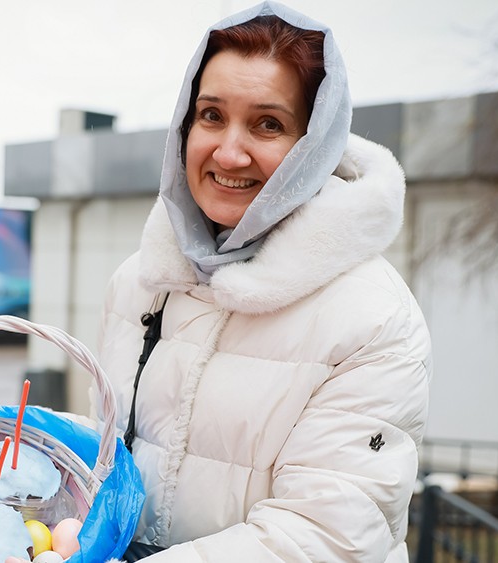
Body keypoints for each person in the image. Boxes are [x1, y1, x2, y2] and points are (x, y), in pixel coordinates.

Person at [93, 2, 432, 562]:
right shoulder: (141, 281)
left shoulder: (373, 319)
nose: (228, 152)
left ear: (314, 146)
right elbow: (112, 452)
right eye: (211, 115)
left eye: (268, 124)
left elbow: (327, 537)